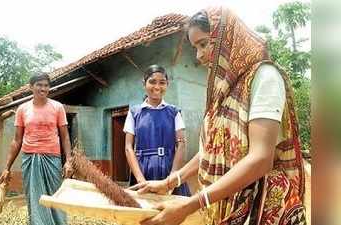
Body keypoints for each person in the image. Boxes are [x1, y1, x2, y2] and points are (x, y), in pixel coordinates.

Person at [131, 7, 306, 225]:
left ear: (227, 37)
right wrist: (170, 182)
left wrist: (189, 205)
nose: (199, 55)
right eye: (195, 47)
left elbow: (260, 159)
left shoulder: (264, 78)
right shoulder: (223, 92)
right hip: (225, 205)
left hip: (262, 210)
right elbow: (210, 151)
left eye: (204, 44)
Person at [0, 73, 73, 225]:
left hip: (52, 158)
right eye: (39, 85)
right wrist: (7, 167)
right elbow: (16, 140)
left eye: (46, 85)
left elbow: (65, 137)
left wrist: (69, 161)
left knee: (56, 195)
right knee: (35, 197)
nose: (43, 88)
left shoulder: (57, 107)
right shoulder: (22, 109)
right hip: (30, 159)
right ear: (31, 87)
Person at [123, 65, 191, 196]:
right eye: (152, 82)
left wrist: (172, 176)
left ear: (167, 84)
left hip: (169, 167)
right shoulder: (134, 113)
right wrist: (140, 178)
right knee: (143, 210)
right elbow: (128, 147)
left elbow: (181, 144)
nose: (157, 87)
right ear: (144, 83)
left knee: (174, 210)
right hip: (143, 169)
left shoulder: (174, 112)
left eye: (162, 82)